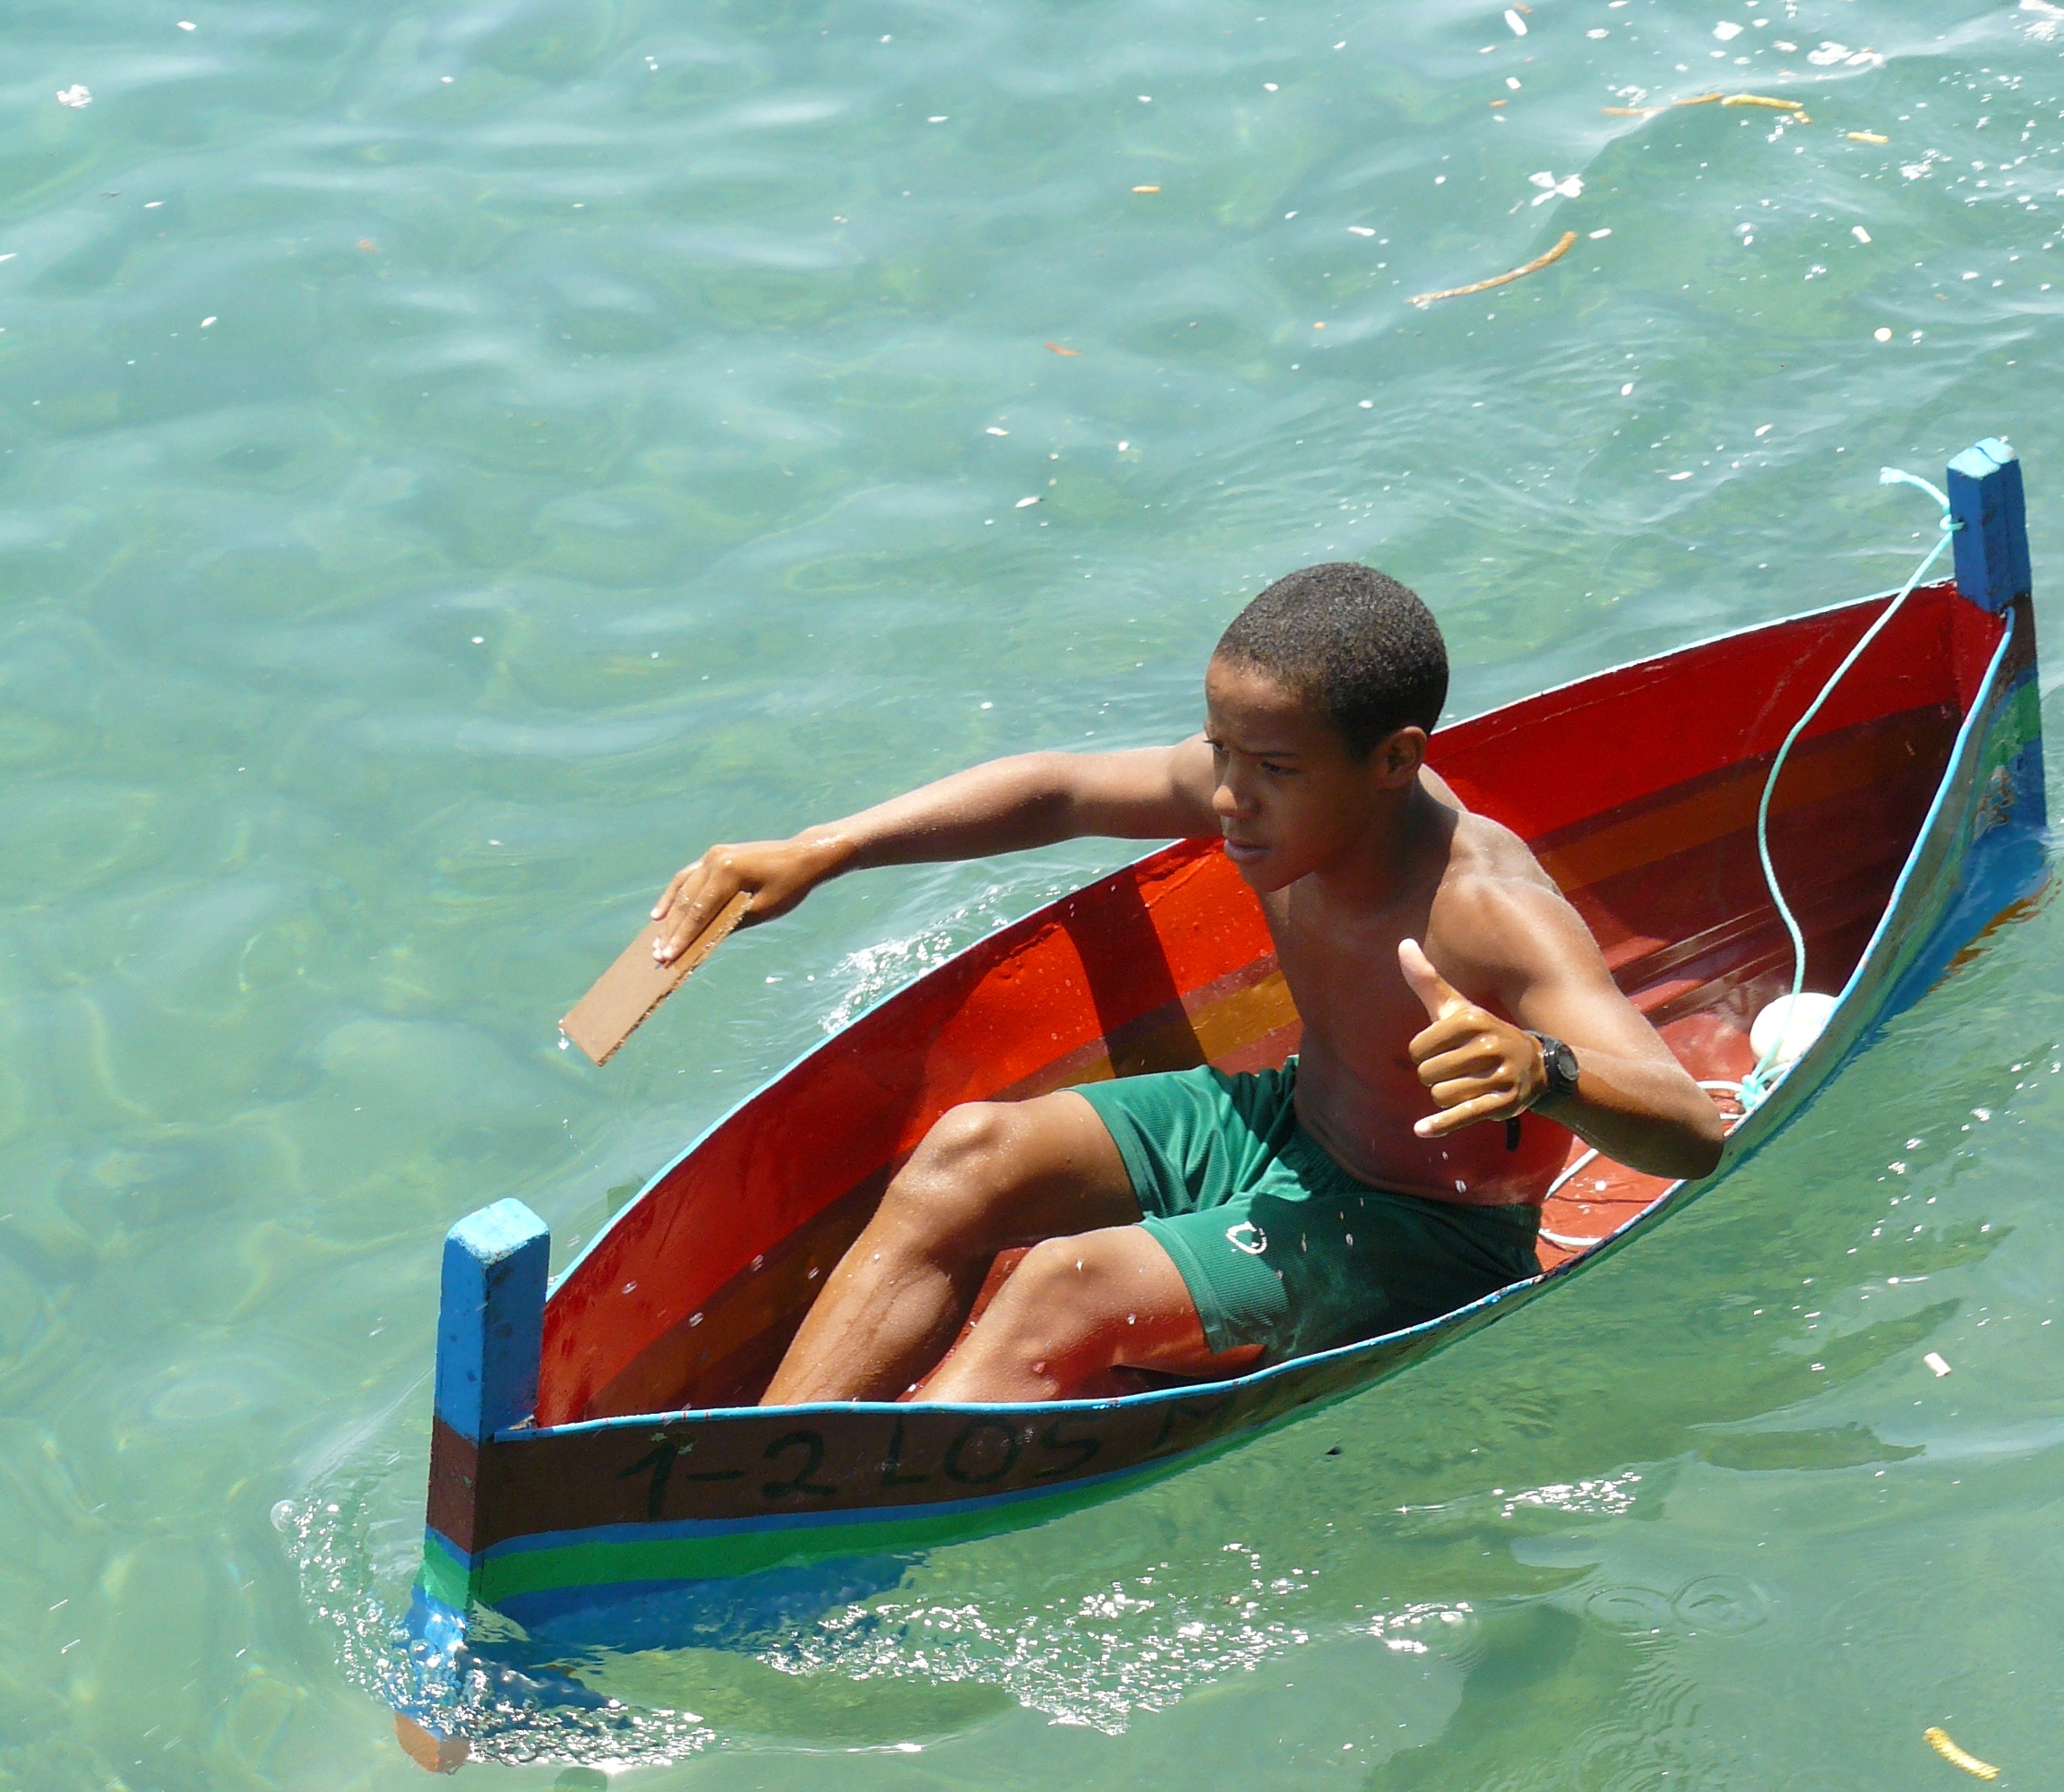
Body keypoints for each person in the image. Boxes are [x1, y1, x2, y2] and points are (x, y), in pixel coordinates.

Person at [649, 564, 1724, 1406]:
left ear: (1395, 762)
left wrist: (1545, 1070)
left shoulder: (1486, 909)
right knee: (970, 1153)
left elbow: (1689, 1129)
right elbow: (1061, 791)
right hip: (1287, 1126)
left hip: (1427, 1229)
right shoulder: (1268, 792)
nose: (1228, 799)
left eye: (1274, 770)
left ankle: (831, 1527)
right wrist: (826, 849)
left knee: (1060, 1285)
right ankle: (757, 1469)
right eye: (1220, 753)